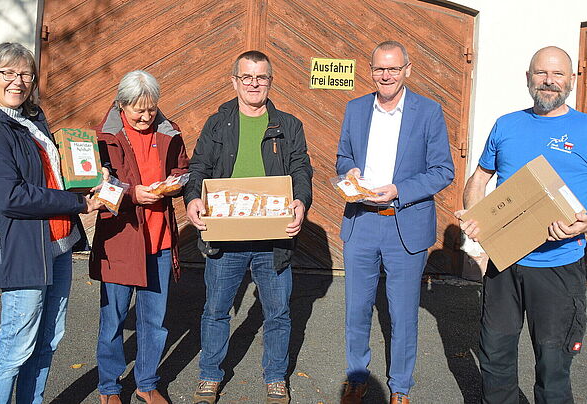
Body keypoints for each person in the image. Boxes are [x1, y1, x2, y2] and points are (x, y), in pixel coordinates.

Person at [456, 46, 587, 404]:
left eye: (557, 74)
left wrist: (583, 226)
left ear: (572, 80)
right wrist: (476, 223)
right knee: (495, 356)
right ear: (528, 78)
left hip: (558, 264)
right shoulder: (507, 124)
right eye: (541, 73)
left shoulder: (585, 128)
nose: (548, 81)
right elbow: (479, 180)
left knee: (553, 363)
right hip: (504, 262)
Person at [184, 50, 312, 404]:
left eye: (261, 77)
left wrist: (300, 200)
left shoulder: (288, 125)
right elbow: (198, 168)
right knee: (215, 310)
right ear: (234, 81)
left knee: (278, 313)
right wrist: (193, 198)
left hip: (273, 239)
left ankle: (275, 376)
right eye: (247, 77)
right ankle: (210, 375)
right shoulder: (217, 123)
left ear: (271, 81)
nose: (254, 84)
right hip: (227, 239)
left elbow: (301, 170)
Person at [0, 42, 102, 404]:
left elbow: (51, 174)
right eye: (8, 72)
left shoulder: (33, 118)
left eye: (25, 74)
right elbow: (10, 196)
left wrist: (89, 177)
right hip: (23, 251)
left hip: (58, 245)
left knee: (48, 341)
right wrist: (77, 202)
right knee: (16, 348)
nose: (17, 81)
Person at [336, 40, 454, 404]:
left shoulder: (428, 111)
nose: (385, 75)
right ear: (370, 71)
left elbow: (443, 170)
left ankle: (400, 386)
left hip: (404, 222)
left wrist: (399, 189)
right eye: (379, 69)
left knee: (402, 313)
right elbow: (342, 156)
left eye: (393, 68)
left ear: (407, 69)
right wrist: (349, 171)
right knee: (356, 307)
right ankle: (357, 376)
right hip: (362, 221)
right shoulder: (355, 109)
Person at [89, 70, 189, 404]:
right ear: (121, 105)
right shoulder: (104, 137)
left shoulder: (168, 130)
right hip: (121, 239)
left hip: (158, 240)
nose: (147, 117)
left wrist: (175, 183)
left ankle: (146, 383)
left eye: (151, 109)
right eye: (139, 111)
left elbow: (181, 169)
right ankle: (109, 387)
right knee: (113, 319)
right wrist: (134, 194)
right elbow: (99, 187)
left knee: (154, 321)